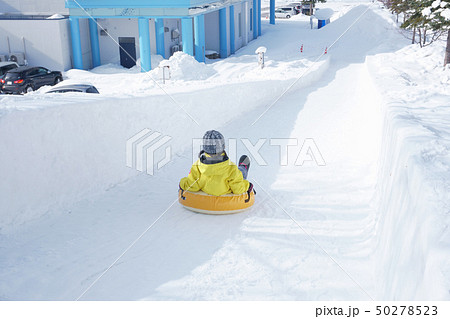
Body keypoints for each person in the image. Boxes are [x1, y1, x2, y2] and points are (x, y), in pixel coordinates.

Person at [179, 130, 254, 196]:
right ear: (223, 146)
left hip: (207, 192)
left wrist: (182, 183)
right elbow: (238, 188)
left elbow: (192, 185)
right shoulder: (231, 168)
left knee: (237, 174)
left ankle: (242, 168)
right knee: (240, 174)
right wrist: (248, 186)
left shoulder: (197, 166)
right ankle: (243, 167)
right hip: (225, 192)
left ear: (205, 148)